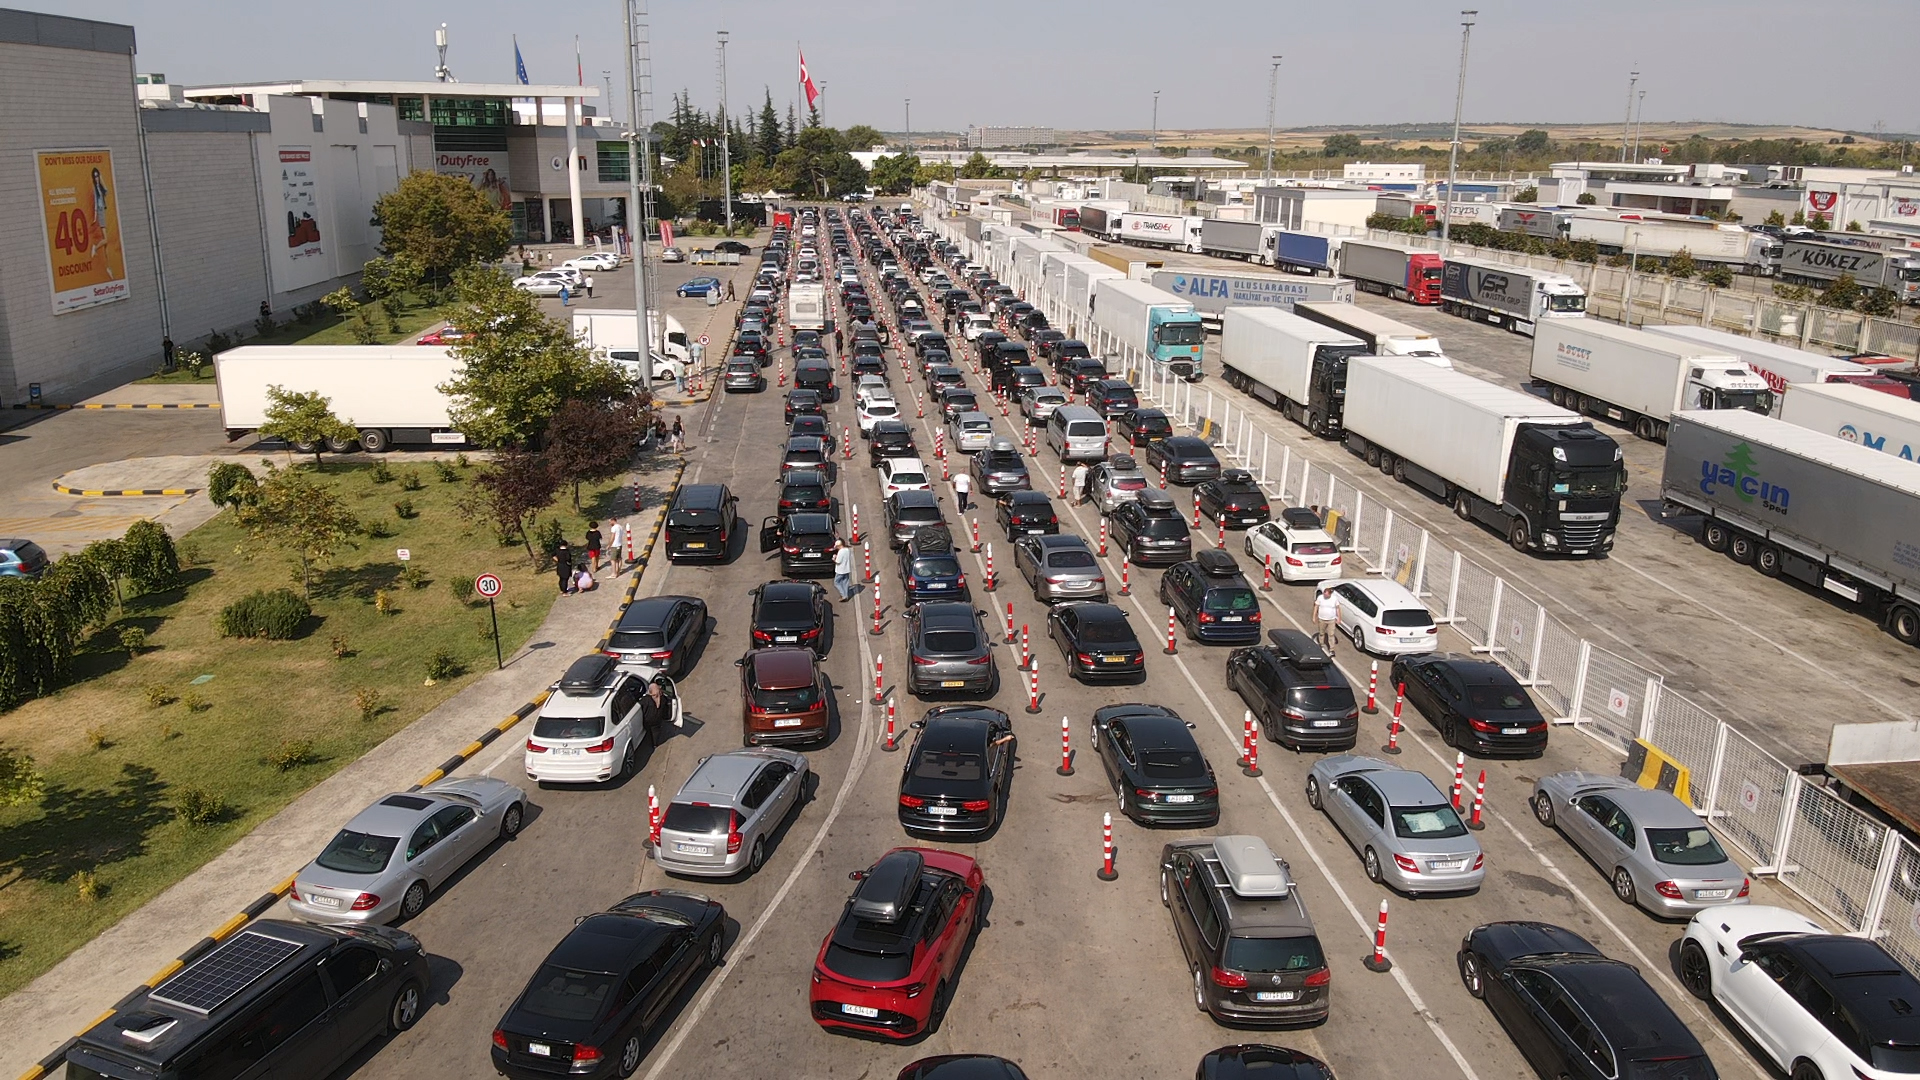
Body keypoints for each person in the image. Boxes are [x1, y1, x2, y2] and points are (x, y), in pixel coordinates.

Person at [1314, 586, 1341, 654]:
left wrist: (1339, 618)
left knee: (1331, 634)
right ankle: (1321, 644)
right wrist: (1314, 616)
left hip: (1331, 620)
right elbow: (1316, 607)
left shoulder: (1334, 599)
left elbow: (1337, 608)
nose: (1325, 596)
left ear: (1330, 594)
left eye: (1326, 595)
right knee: (1321, 633)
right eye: (1324, 594)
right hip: (1322, 619)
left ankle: (1331, 649)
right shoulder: (1320, 598)